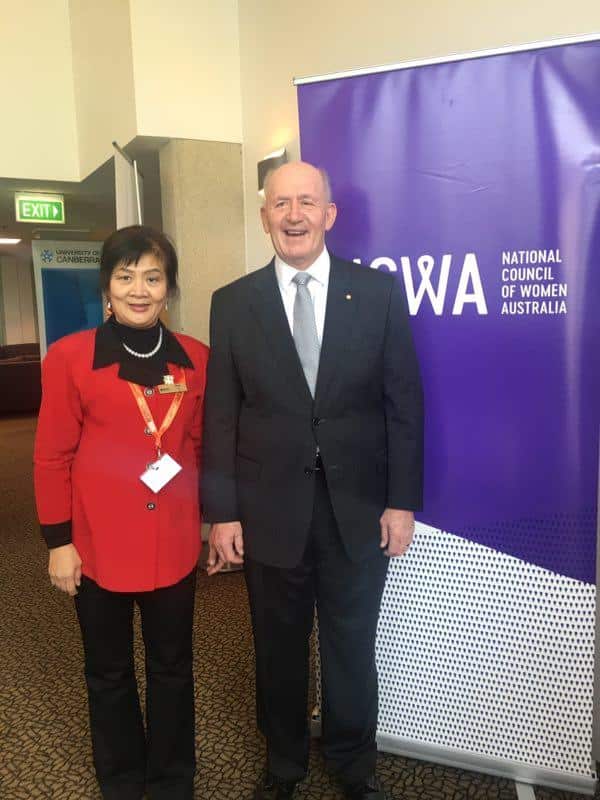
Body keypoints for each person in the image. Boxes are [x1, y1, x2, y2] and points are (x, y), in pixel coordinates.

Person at [202, 162, 424, 800]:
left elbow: (403, 405)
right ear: (264, 215)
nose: (293, 215)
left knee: (351, 646)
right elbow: (222, 413)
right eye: (280, 203)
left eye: (306, 202)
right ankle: (285, 765)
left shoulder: (378, 293)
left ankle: (354, 764)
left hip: (356, 509)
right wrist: (222, 512)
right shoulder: (234, 302)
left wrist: (401, 502)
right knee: (278, 649)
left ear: (330, 214)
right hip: (268, 510)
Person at [33, 225, 209, 800]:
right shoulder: (70, 358)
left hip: (174, 539)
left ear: (168, 288)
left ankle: (172, 775)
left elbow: (203, 447)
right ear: (107, 287)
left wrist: (216, 520)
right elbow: (52, 454)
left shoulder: (196, 361)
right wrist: (59, 541)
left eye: (152, 277)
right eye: (126, 276)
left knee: (173, 667)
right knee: (108, 671)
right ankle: (123, 778)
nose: (140, 289)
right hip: (97, 544)